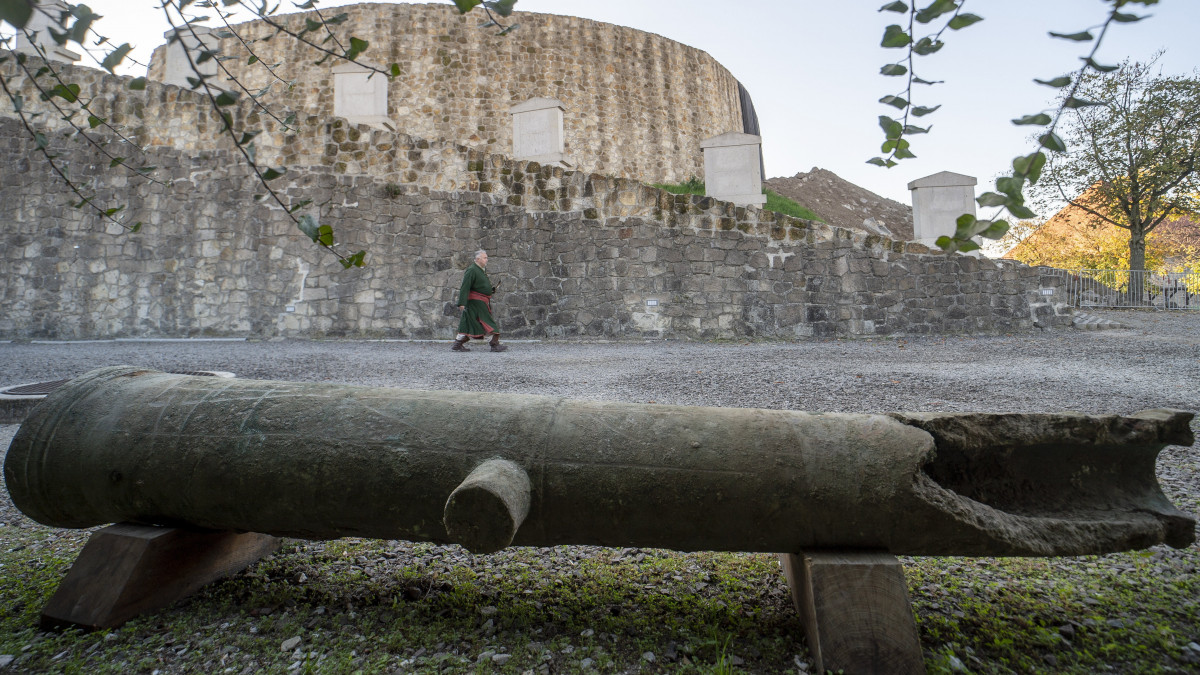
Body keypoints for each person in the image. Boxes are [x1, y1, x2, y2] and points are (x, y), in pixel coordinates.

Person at [452, 250, 506, 352]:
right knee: (486, 321)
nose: (487, 260)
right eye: (484, 258)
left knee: (467, 323)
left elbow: (479, 286)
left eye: (486, 257)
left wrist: (490, 290)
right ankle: (494, 344)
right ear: (478, 259)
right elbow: (465, 287)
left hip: (479, 301)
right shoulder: (472, 270)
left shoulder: (480, 269)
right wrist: (462, 303)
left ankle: (457, 344)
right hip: (476, 302)